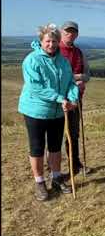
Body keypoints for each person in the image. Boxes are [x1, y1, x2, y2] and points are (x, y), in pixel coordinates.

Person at [18, 23, 79, 201]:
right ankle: (39, 182)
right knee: (37, 147)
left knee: (55, 146)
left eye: (54, 41)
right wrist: (61, 98)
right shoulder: (32, 60)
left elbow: (70, 83)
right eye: (48, 41)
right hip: (35, 110)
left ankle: (57, 177)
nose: (51, 44)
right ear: (41, 41)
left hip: (58, 112)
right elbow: (36, 87)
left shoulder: (63, 61)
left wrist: (73, 99)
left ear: (58, 42)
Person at [59, 21, 92, 176]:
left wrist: (80, 79)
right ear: (61, 31)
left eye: (73, 32)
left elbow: (87, 75)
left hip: (75, 100)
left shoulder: (79, 52)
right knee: (55, 134)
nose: (70, 34)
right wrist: (75, 79)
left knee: (73, 133)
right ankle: (55, 169)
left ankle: (75, 164)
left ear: (77, 34)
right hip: (57, 100)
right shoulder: (54, 49)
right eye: (67, 31)